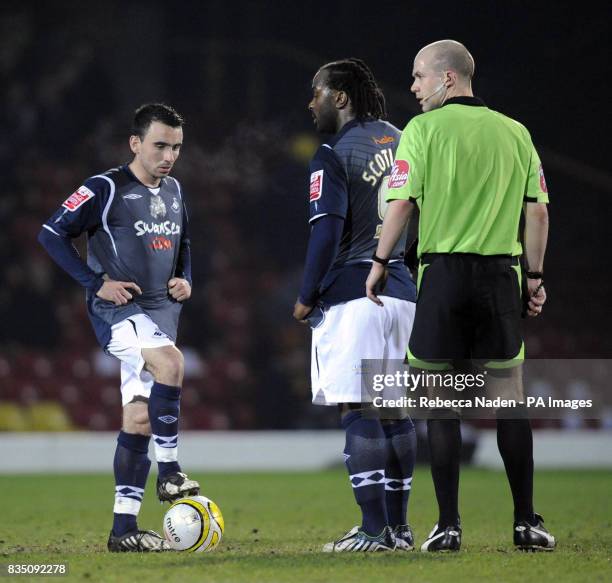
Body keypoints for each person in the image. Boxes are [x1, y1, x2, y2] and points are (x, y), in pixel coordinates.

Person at [366, 40, 556, 552]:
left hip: (442, 276)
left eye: (419, 76)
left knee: (440, 407)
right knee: (509, 404)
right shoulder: (515, 132)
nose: (412, 87)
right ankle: (525, 524)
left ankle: (448, 526)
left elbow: (401, 204)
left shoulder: (422, 132)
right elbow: (536, 211)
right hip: (500, 276)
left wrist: (380, 263)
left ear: (448, 79)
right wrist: (533, 278)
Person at [38, 103, 200, 552]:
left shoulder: (175, 191)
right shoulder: (104, 188)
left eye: (176, 147)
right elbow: (51, 233)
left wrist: (186, 277)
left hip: (161, 314)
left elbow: (183, 241)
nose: (169, 155)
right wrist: (97, 283)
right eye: (160, 145)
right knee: (171, 364)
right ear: (135, 144)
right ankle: (169, 475)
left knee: (139, 417)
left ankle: (123, 530)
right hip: (120, 313)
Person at [294, 58, 417, 552]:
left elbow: (325, 232)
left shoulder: (332, 153)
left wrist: (305, 297)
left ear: (339, 97)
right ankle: (399, 528)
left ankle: (371, 531)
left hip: (353, 291)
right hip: (402, 289)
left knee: (358, 406)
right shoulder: (402, 138)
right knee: (392, 408)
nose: (311, 103)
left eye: (316, 92)